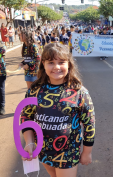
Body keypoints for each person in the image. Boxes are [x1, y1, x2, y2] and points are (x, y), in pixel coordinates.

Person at [20, 43, 95, 177]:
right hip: (43, 149)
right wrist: (29, 143)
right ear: (43, 63)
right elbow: (26, 117)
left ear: (69, 64)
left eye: (61, 62)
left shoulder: (79, 92)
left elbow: (89, 124)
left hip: (68, 152)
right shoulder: (34, 90)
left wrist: (87, 151)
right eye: (51, 62)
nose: (56, 67)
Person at [0, 44, 7, 115]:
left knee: (1, 89)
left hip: (1, 72)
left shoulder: (2, 46)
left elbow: (4, 49)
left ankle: (2, 107)